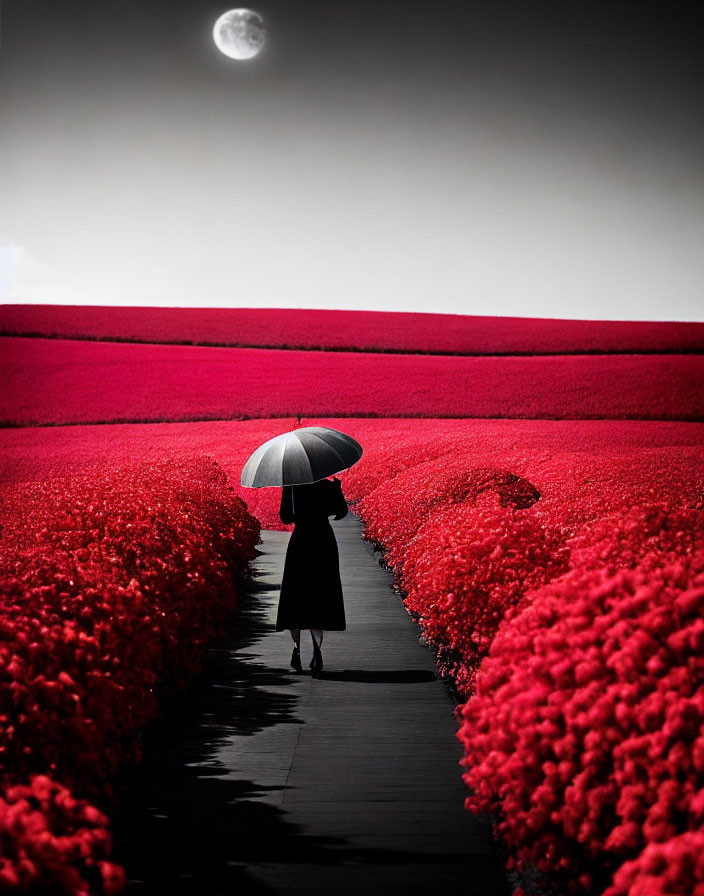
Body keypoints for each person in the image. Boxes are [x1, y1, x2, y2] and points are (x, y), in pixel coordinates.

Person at [276, 476, 348, 673]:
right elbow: (341, 512)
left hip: (301, 542)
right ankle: (317, 649)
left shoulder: (292, 485)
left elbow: (285, 517)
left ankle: (297, 651)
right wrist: (337, 489)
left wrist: (287, 491)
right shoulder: (326, 485)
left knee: (295, 597)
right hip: (324, 541)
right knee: (320, 595)